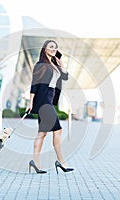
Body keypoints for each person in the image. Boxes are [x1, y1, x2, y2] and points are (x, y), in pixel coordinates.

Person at [26, 40, 74, 174]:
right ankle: (61, 162)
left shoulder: (54, 64)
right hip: (43, 101)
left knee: (42, 133)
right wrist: (30, 102)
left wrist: (60, 62)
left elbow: (65, 77)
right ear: (45, 49)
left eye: (55, 47)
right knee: (58, 130)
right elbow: (34, 84)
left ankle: (35, 163)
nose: (54, 49)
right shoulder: (40, 65)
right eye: (51, 47)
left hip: (49, 99)